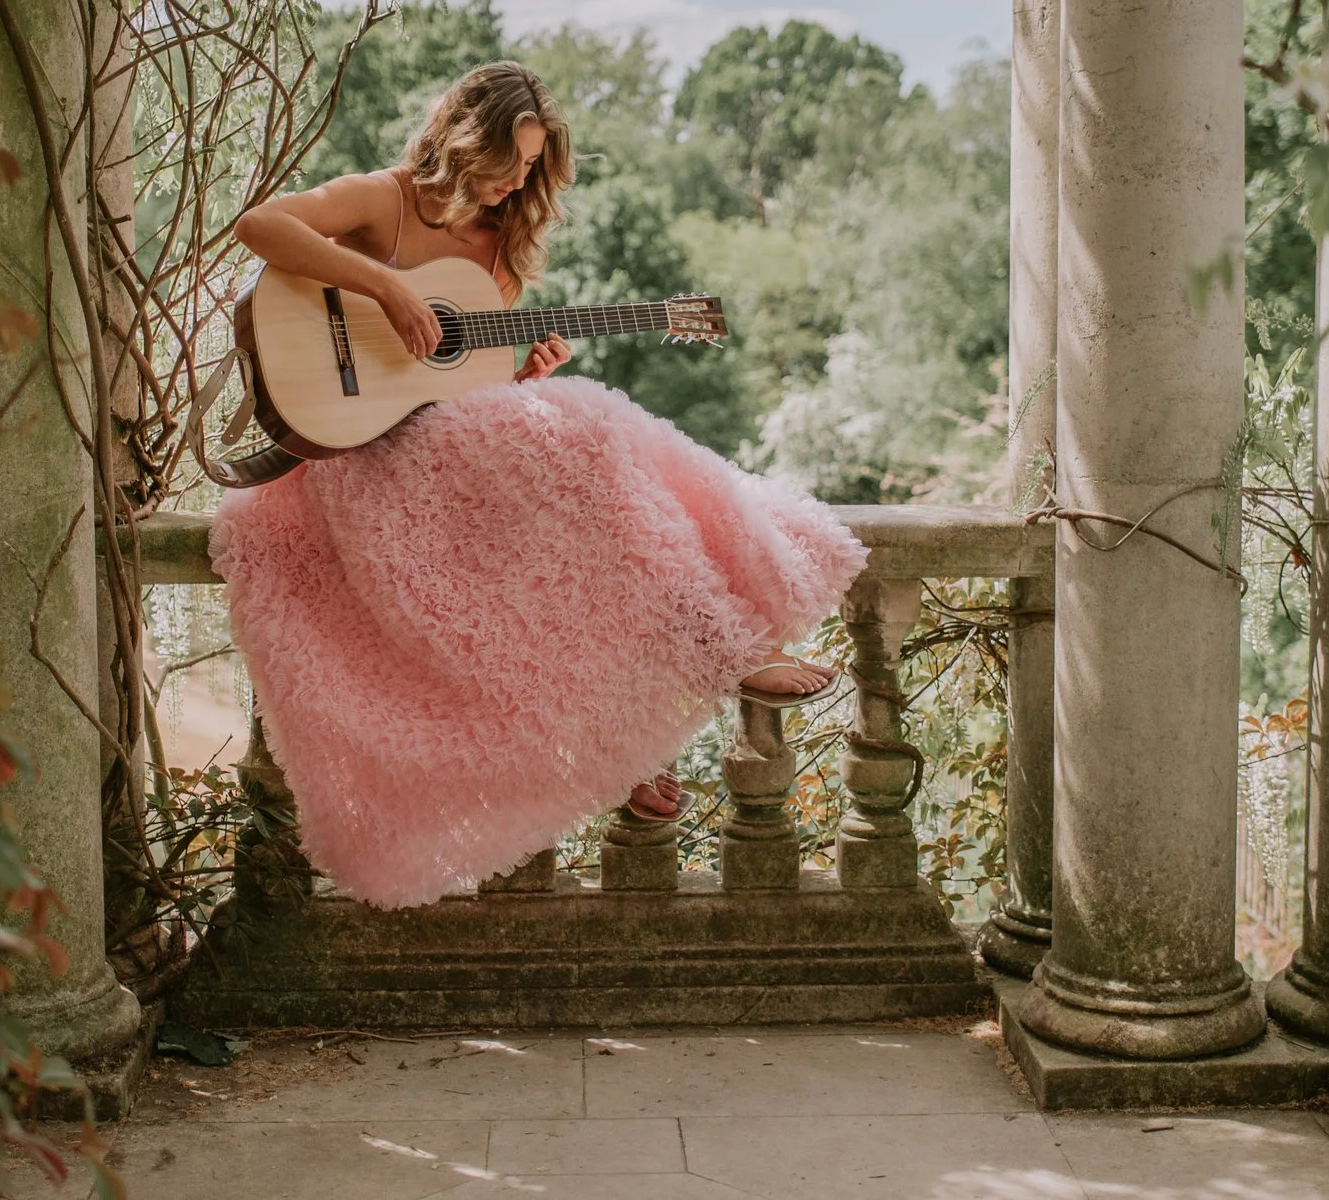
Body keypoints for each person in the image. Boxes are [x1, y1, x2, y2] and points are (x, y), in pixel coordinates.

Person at [209, 60, 864, 908]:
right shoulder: (388, 199)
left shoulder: (499, 260)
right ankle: (717, 653)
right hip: (354, 457)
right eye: (507, 161)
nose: (517, 181)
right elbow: (260, 224)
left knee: (577, 453)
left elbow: (454, 396)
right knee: (587, 428)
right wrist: (385, 287)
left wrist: (526, 379)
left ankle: (641, 720)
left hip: (435, 456)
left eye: (530, 169)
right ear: (461, 138)